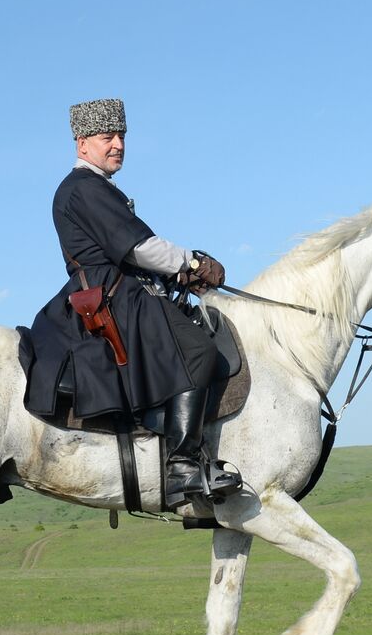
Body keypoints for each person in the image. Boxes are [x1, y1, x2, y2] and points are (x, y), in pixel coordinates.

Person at [24, 97, 238, 509]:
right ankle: (183, 468)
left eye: (121, 136)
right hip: (113, 296)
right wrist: (191, 261)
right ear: (82, 143)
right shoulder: (83, 188)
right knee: (197, 352)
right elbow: (139, 246)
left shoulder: (97, 188)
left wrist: (177, 274)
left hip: (119, 287)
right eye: (108, 137)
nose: (118, 144)